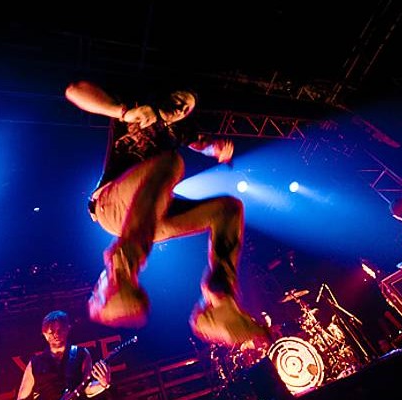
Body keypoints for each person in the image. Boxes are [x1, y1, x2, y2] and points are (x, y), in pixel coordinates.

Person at [65, 80, 271, 347]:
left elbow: (202, 143)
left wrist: (216, 148)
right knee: (171, 162)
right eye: (178, 102)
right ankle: (121, 273)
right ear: (167, 96)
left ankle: (220, 299)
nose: (180, 110)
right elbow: (75, 90)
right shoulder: (136, 107)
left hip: (151, 219)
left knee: (227, 208)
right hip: (112, 205)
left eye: (185, 109)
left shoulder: (181, 130)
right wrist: (123, 112)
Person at [17, 310, 112, 400]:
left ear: (67, 329)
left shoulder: (81, 354)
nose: (56, 334)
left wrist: (103, 384)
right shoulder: (35, 363)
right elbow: (21, 398)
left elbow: (87, 388)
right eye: (51, 331)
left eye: (60, 330)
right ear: (44, 334)